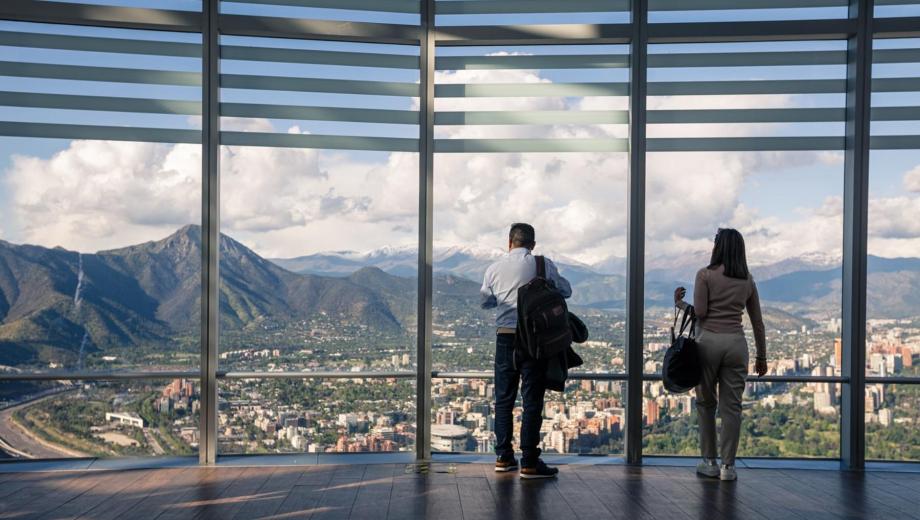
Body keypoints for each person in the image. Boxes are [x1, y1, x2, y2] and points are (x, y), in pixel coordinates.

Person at [674, 228, 767, 482]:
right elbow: (757, 322)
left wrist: (680, 304)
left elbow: (701, 312)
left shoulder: (704, 275)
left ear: (718, 247)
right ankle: (729, 467)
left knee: (706, 404)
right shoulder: (747, 280)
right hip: (737, 346)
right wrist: (762, 357)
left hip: (708, 345)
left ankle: (709, 462)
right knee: (732, 408)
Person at [480, 223, 572, 479]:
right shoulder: (542, 264)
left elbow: (485, 301)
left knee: (504, 400)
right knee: (532, 401)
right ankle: (530, 461)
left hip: (505, 339)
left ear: (509, 242)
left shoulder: (494, 269)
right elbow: (566, 291)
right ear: (533, 245)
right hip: (535, 341)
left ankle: (503, 457)